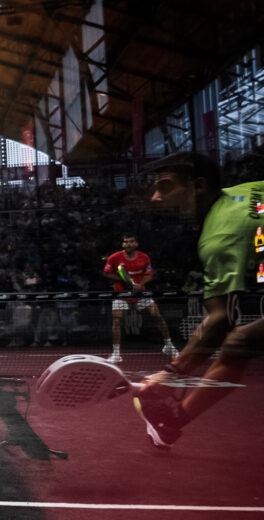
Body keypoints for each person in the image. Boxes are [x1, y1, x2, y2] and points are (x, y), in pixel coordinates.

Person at [134, 152, 263, 448]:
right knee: (239, 344)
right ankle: (173, 421)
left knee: (236, 343)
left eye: (165, 187)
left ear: (199, 186)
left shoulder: (221, 235)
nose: (155, 198)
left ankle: (173, 420)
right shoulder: (240, 195)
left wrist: (172, 372)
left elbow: (222, 319)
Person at [102, 234, 178, 363]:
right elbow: (107, 272)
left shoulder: (144, 257)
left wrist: (140, 284)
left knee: (157, 315)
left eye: (131, 242)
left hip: (141, 293)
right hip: (121, 293)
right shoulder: (114, 258)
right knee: (117, 320)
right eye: (125, 242)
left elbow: (149, 274)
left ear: (136, 244)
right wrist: (124, 281)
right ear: (122, 244)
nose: (128, 244)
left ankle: (169, 346)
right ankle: (116, 354)